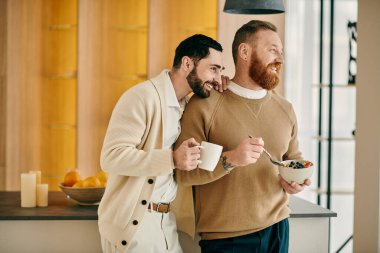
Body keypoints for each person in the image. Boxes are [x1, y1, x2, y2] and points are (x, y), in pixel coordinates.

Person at [174, 20, 311, 253]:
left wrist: (296, 182)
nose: (280, 59)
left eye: (281, 52)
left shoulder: (285, 109)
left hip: (278, 229)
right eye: (272, 50)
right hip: (225, 238)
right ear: (244, 51)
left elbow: (293, 159)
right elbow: (184, 174)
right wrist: (231, 159)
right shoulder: (204, 104)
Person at [98, 34, 226, 253]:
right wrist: (173, 159)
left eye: (220, 71)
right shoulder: (142, 97)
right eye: (213, 69)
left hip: (166, 224)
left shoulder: (187, 104)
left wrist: (227, 88)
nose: (217, 77)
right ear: (187, 63)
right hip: (135, 227)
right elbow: (112, 157)